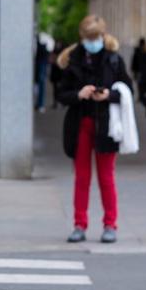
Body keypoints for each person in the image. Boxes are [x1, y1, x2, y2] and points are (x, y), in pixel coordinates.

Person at [56, 15, 132, 244]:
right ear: (82, 37)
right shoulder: (72, 60)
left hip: (106, 125)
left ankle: (110, 224)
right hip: (80, 124)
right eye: (89, 38)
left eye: (96, 37)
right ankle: (79, 224)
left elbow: (128, 90)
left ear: (102, 35)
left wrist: (109, 95)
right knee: (82, 178)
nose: (93, 42)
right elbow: (61, 94)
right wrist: (79, 94)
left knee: (106, 177)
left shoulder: (113, 60)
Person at [35, 34, 50, 111]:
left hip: (38, 69)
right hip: (38, 69)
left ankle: (40, 104)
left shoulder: (40, 46)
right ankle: (40, 104)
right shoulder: (42, 46)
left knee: (40, 84)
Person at [49, 40, 65, 109]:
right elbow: (51, 60)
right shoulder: (55, 50)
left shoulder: (61, 51)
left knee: (60, 88)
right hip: (56, 73)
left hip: (60, 73)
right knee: (56, 89)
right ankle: (56, 102)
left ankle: (60, 102)